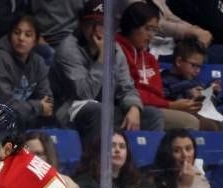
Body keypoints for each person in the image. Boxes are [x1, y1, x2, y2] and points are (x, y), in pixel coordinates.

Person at [49, 0, 163, 144]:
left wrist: (134, 107)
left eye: (103, 25)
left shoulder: (116, 49)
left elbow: (127, 87)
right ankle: (93, 163)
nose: (98, 30)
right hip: (69, 111)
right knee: (97, 110)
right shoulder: (68, 49)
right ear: (82, 24)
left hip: (106, 110)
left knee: (151, 115)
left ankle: (145, 165)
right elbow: (84, 94)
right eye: (93, 24)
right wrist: (102, 58)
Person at [116, 1, 201, 131]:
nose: (151, 35)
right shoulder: (117, 51)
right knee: (189, 122)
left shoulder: (149, 59)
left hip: (155, 106)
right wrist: (170, 105)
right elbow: (127, 91)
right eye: (147, 29)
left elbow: (158, 93)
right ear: (132, 26)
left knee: (209, 122)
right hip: (129, 107)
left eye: (154, 30)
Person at [74, 129, 171, 188]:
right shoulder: (85, 184)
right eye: (112, 145)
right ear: (98, 150)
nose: (117, 150)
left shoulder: (141, 183)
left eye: (122, 146)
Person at [161, 38, 223, 133]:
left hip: (205, 114)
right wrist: (188, 93)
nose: (197, 71)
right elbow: (165, 101)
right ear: (179, 61)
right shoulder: (164, 80)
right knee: (214, 124)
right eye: (193, 65)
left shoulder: (195, 81)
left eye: (199, 67)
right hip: (185, 116)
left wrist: (210, 91)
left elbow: (207, 105)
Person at [24, 130, 94, 188]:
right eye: (27, 154)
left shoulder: (67, 184)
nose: (32, 159)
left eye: (39, 154)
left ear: (49, 156)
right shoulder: (9, 184)